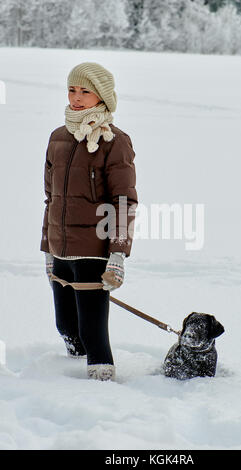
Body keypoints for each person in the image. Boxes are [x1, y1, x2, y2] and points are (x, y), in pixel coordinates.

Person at [40, 62, 138, 381]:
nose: (77, 98)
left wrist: (118, 254)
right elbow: (50, 199)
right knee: (66, 328)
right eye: (72, 89)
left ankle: (102, 393)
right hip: (60, 250)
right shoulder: (58, 137)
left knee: (93, 335)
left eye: (85, 91)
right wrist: (47, 248)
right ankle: (68, 383)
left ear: (102, 97)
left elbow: (123, 201)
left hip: (94, 250)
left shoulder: (115, 141)